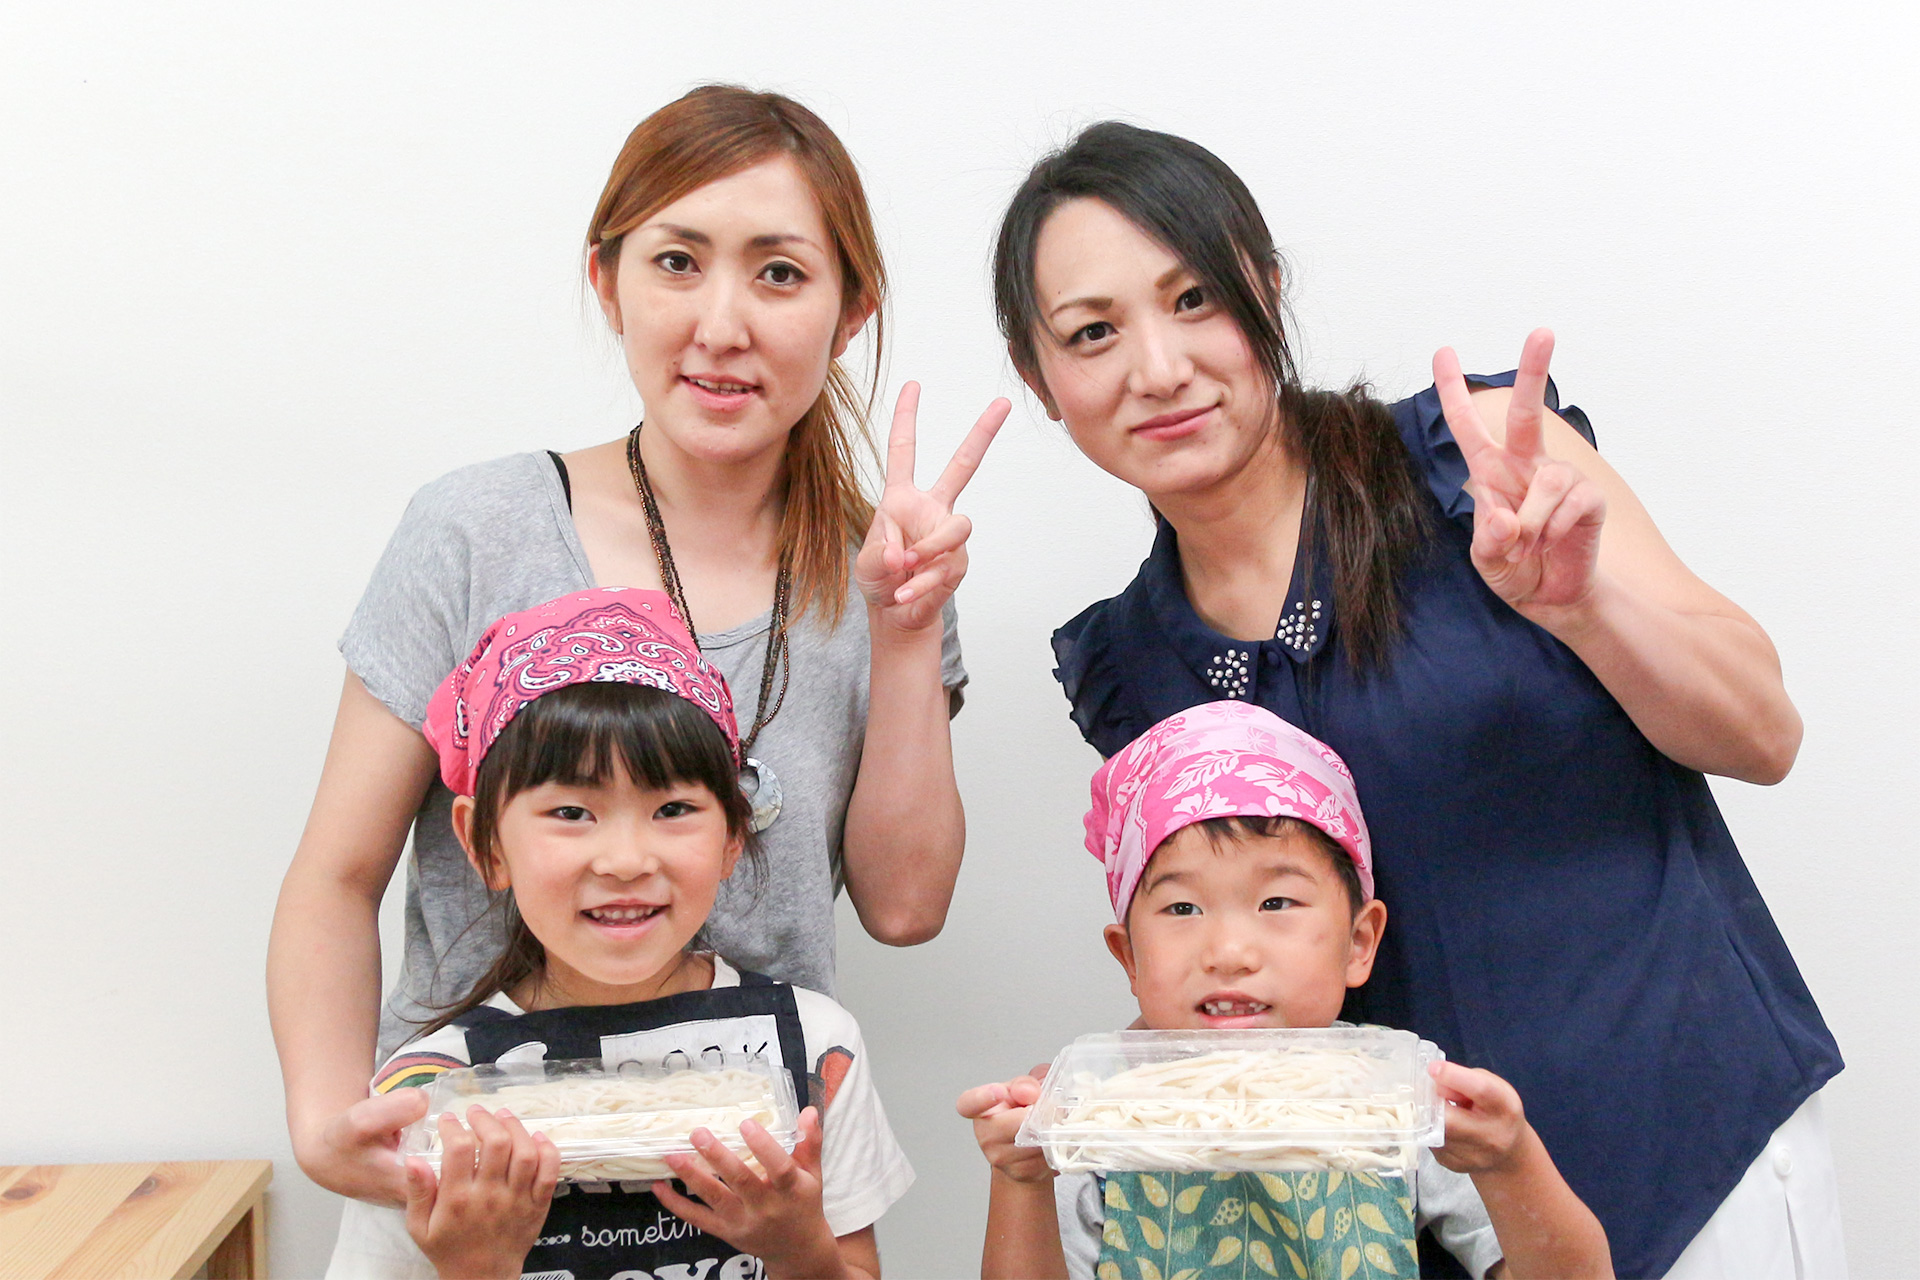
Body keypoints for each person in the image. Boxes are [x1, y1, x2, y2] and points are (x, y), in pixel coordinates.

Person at [993, 122, 1843, 1278]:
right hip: (1407, 1233)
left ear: (1266, 287)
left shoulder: (1475, 458)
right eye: (1093, 332)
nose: (1157, 366)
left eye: (1194, 299)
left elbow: (1764, 731)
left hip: (1689, 1149)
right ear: (1040, 378)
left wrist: (1585, 608)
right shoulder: (1130, 665)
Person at [270, 85, 1007, 1210]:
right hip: (477, 1188)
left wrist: (903, 633)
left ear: (850, 312)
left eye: (780, 273)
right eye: (677, 262)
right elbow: (337, 873)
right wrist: (328, 1121)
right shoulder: (477, 529)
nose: (722, 324)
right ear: (607, 281)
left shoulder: (886, 567)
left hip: (741, 1199)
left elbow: (905, 909)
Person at [326, 587, 911, 1279]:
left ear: (732, 835)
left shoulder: (811, 1045)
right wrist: (475, 1268)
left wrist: (798, 1250)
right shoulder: (434, 1088)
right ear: (485, 844)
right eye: (572, 812)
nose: (627, 861)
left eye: (673, 808)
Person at [959, 702, 1612, 1280]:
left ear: (1358, 942)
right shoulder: (1091, 1105)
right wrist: (1021, 1179)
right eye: (1183, 908)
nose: (1229, 953)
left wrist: (1508, 1162)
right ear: (1129, 956)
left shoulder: (1394, 1087)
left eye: (1276, 902)